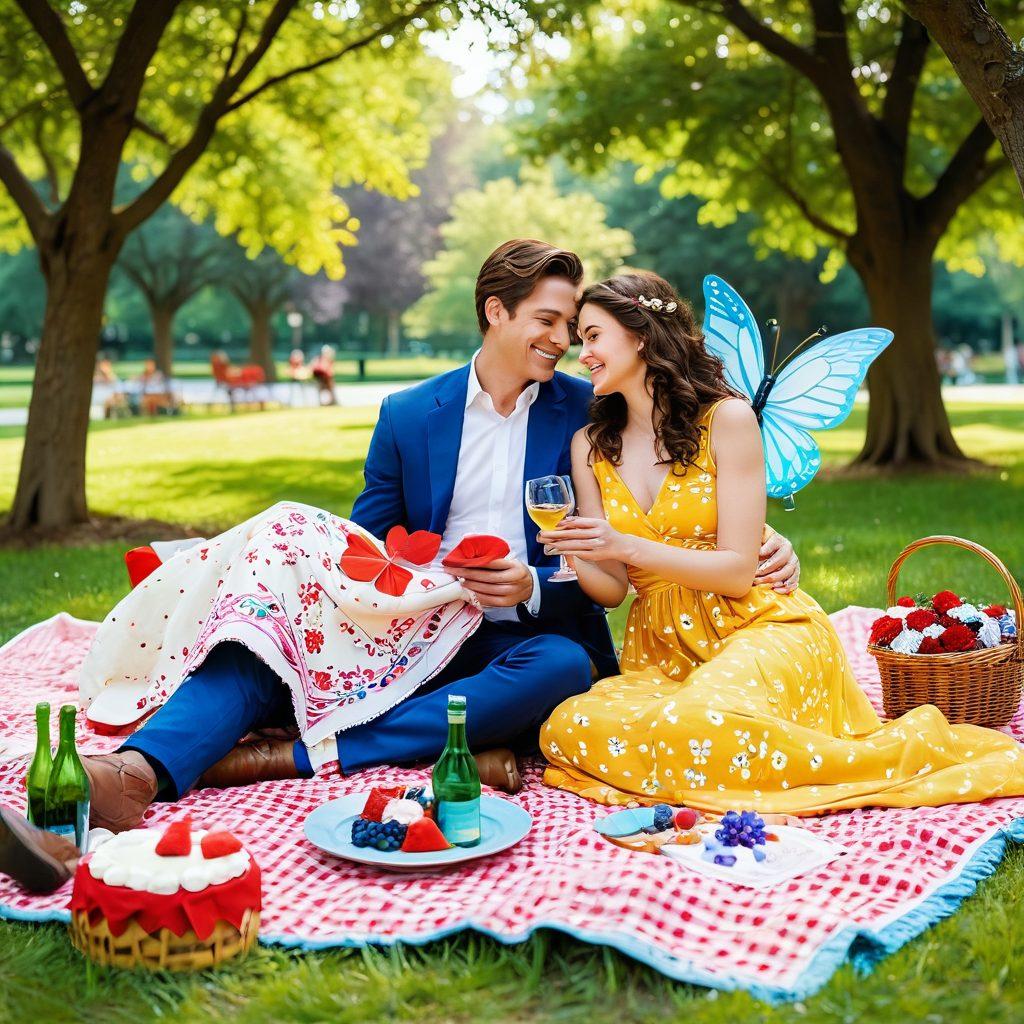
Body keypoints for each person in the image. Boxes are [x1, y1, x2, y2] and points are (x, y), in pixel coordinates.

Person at [0, 242, 799, 892]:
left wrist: (536, 579)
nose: (564, 341)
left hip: (517, 639)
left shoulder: (589, 410)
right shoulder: (410, 412)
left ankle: (299, 752)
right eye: (550, 321)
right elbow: (370, 537)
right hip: (408, 625)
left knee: (560, 662)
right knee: (264, 650)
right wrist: (415, 584)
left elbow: (656, 493)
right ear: (497, 311)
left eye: (574, 327)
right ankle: (130, 776)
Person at [538, 271, 1024, 814]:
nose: (582, 354)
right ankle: (707, 748)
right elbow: (612, 591)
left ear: (642, 335)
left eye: (593, 335)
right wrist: (578, 551)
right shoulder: (591, 446)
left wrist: (623, 546)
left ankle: (892, 759)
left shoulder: (728, 420)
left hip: (759, 621)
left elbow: (737, 572)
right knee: (567, 726)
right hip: (663, 647)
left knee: (701, 721)